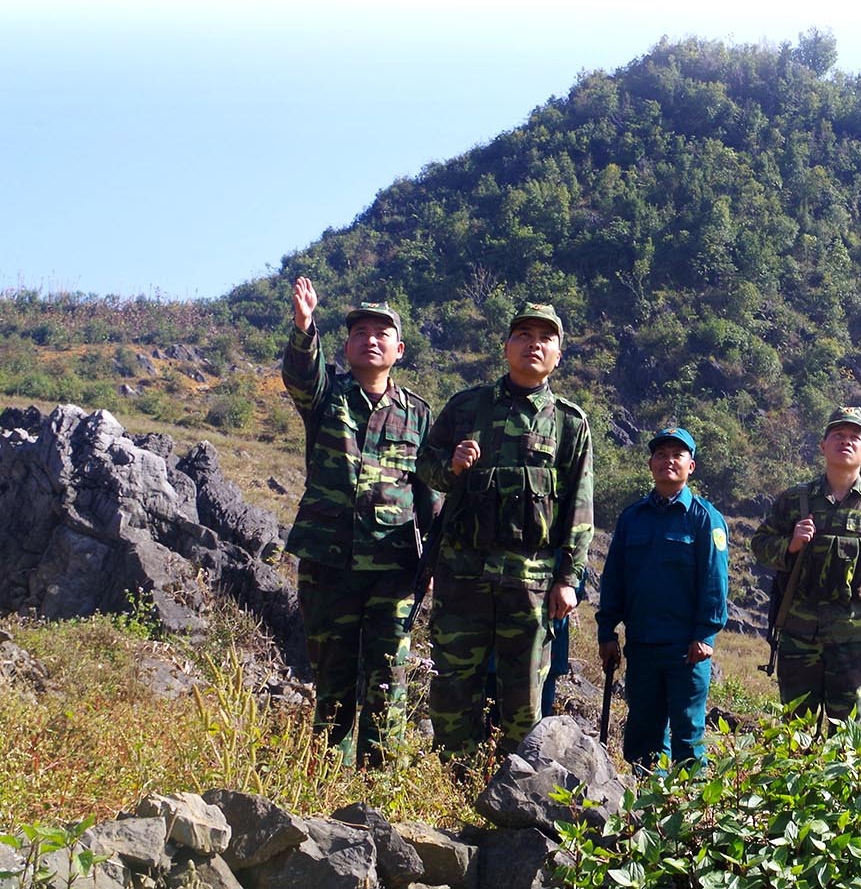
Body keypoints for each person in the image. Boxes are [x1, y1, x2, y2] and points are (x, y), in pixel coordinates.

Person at [419, 302, 593, 756]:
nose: (534, 343)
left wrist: (568, 578)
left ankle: (516, 803)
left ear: (558, 355)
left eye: (545, 338)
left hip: (530, 583)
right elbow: (425, 468)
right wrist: (450, 465)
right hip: (463, 576)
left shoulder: (569, 423)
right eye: (524, 334)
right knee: (455, 688)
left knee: (524, 700)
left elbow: (579, 505)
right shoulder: (465, 406)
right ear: (506, 347)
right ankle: (452, 792)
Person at [279, 277, 436, 766]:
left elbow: (428, 493)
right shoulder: (328, 397)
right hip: (329, 563)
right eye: (360, 331)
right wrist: (305, 327)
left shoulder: (418, 414)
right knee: (333, 676)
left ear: (399, 349)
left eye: (381, 332)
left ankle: (380, 781)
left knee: (390, 674)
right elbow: (301, 377)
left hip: (393, 568)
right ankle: (329, 778)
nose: (370, 338)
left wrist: (431, 563)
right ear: (345, 346)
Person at [750, 406, 861, 722]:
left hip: (855, 637)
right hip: (799, 632)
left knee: (847, 735)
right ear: (823, 446)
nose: (845, 441)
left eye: (854, 437)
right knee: (795, 730)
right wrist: (790, 545)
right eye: (837, 435)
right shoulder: (795, 500)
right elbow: (760, 545)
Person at [597, 426, 728, 769]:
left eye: (677, 455)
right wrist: (607, 631)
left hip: (686, 649)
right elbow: (614, 578)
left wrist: (705, 634)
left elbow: (715, 581)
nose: (668, 461)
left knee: (687, 733)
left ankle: (691, 814)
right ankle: (645, 807)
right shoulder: (632, 518)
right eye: (660, 455)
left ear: (691, 466)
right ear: (650, 464)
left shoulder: (704, 518)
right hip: (642, 644)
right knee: (643, 732)